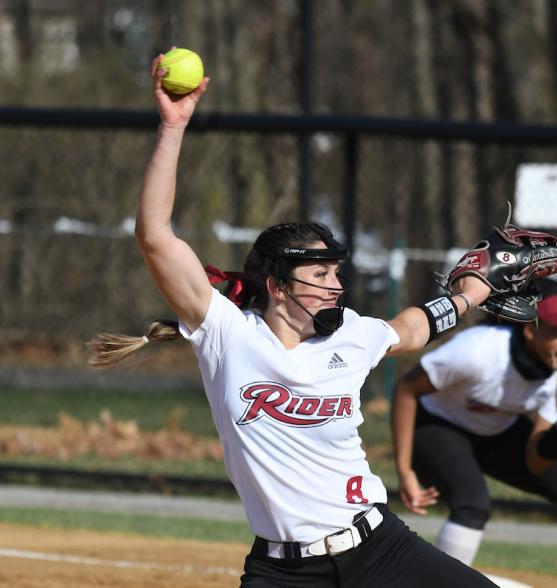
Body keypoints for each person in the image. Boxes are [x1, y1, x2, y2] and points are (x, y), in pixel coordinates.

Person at [90, 51, 506, 588]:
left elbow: (409, 330)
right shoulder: (227, 335)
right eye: (320, 273)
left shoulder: (352, 333)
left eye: (337, 272)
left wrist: (468, 295)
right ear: (278, 285)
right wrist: (174, 127)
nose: (335, 283)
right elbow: (154, 236)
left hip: (379, 547)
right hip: (284, 571)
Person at [392, 278, 557, 588]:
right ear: (529, 329)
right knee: (473, 504)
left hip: (499, 429)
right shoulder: (479, 349)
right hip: (438, 423)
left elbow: (537, 461)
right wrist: (404, 471)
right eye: (556, 330)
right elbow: (406, 389)